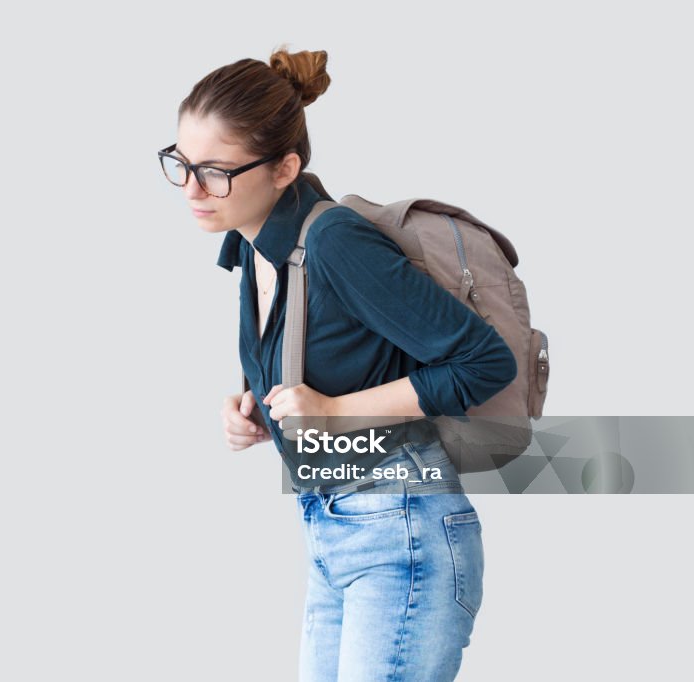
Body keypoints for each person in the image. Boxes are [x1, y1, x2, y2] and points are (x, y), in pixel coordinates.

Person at [158, 47, 518, 681]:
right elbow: (328, 369)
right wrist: (256, 412)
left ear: (284, 168)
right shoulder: (250, 249)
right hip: (333, 529)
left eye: (214, 170)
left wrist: (334, 410)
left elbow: (483, 361)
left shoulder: (334, 241)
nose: (192, 188)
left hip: (401, 528)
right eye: (181, 163)